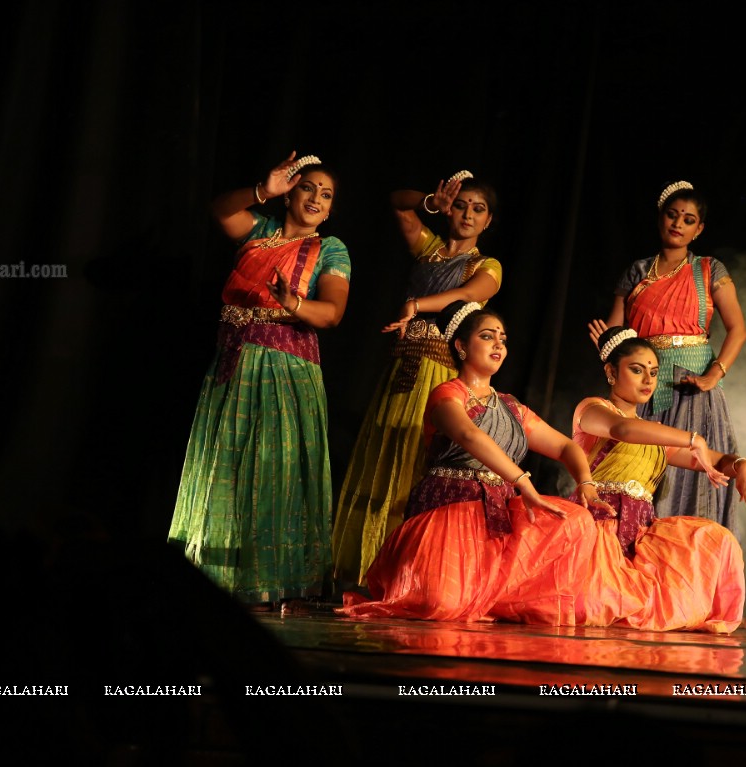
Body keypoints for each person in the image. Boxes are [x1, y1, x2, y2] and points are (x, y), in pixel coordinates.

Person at [337, 301, 612, 624]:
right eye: (487, 336)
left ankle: (494, 599)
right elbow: (469, 435)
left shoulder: (512, 408)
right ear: (461, 346)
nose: (499, 343)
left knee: (576, 520)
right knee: (442, 604)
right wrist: (522, 481)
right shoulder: (447, 394)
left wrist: (586, 484)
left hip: (498, 514)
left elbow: (567, 446)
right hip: (450, 511)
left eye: (503, 338)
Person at [169, 151, 350, 614]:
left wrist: (292, 305)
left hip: (284, 367)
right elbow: (220, 210)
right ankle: (215, 580)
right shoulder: (260, 231)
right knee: (226, 470)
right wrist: (260, 192)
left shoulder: (330, 249)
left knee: (275, 471)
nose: (315, 198)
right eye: (307, 186)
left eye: (325, 195)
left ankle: (273, 584)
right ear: (290, 191)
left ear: (329, 211)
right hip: (232, 363)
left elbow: (330, 314)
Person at [331, 170, 503, 590]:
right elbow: (396, 201)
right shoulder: (428, 250)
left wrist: (417, 304)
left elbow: (468, 295)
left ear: (488, 221)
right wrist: (431, 200)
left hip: (441, 373)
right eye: (461, 205)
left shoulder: (487, 265)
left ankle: (410, 575)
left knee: (418, 466)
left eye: (477, 209)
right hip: (401, 370)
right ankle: (364, 570)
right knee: (383, 456)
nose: (466, 214)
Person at [570, 326, 746, 632]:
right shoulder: (594, 410)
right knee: (605, 602)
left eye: (653, 371)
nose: (649, 380)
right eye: (637, 370)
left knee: (715, 539)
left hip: (639, 534)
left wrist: (742, 464)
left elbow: (716, 460)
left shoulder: (653, 433)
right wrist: (692, 438)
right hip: (600, 528)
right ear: (611, 372)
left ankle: (711, 610)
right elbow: (622, 430)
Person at [592, 180, 746, 530]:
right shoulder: (637, 271)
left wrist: (714, 375)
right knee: (641, 477)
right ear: (660, 218)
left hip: (692, 392)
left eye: (688, 219)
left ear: (699, 229)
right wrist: (608, 347)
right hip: (643, 391)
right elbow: (616, 337)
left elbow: (739, 329)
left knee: (691, 476)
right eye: (672, 215)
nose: (678, 224)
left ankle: (684, 570)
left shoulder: (709, 270)